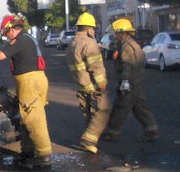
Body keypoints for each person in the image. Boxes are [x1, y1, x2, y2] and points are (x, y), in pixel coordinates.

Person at [0, 14, 52, 168]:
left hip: (29, 81)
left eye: (6, 32)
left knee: (33, 119)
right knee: (27, 116)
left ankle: (44, 155)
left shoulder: (19, 40)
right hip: (37, 79)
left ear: (11, 29)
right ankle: (28, 151)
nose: (6, 36)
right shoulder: (27, 38)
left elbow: (0, 56)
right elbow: (5, 52)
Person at [101, 18, 159, 143]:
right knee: (140, 108)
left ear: (123, 33)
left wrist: (124, 84)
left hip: (130, 83)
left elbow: (127, 67)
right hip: (136, 82)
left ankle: (112, 132)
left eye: (116, 33)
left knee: (120, 106)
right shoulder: (132, 45)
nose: (115, 36)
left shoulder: (127, 47)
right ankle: (151, 130)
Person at [66, 12, 110, 154]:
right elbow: (95, 66)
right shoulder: (89, 43)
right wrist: (102, 83)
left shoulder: (73, 42)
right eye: (94, 28)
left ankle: (91, 137)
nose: (94, 31)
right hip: (93, 85)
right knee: (102, 110)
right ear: (90, 29)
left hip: (80, 85)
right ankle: (89, 139)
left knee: (88, 113)